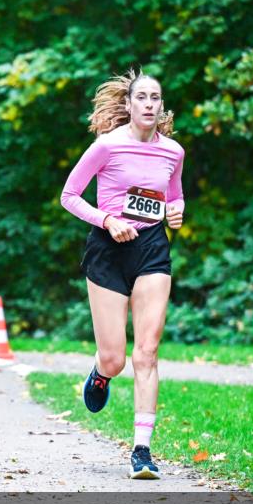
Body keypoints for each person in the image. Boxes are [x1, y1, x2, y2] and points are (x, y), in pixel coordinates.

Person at [59, 69, 185, 479]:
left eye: (155, 98)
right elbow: (69, 196)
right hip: (108, 250)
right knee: (115, 359)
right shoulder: (106, 146)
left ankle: (142, 451)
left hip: (151, 248)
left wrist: (177, 212)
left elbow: (174, 195)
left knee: (146, 352)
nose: (149, 104)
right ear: (128, 105)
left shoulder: (173, 152)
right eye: (142, 97)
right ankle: (99, 373)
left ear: (161, 107)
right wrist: (107, 219)